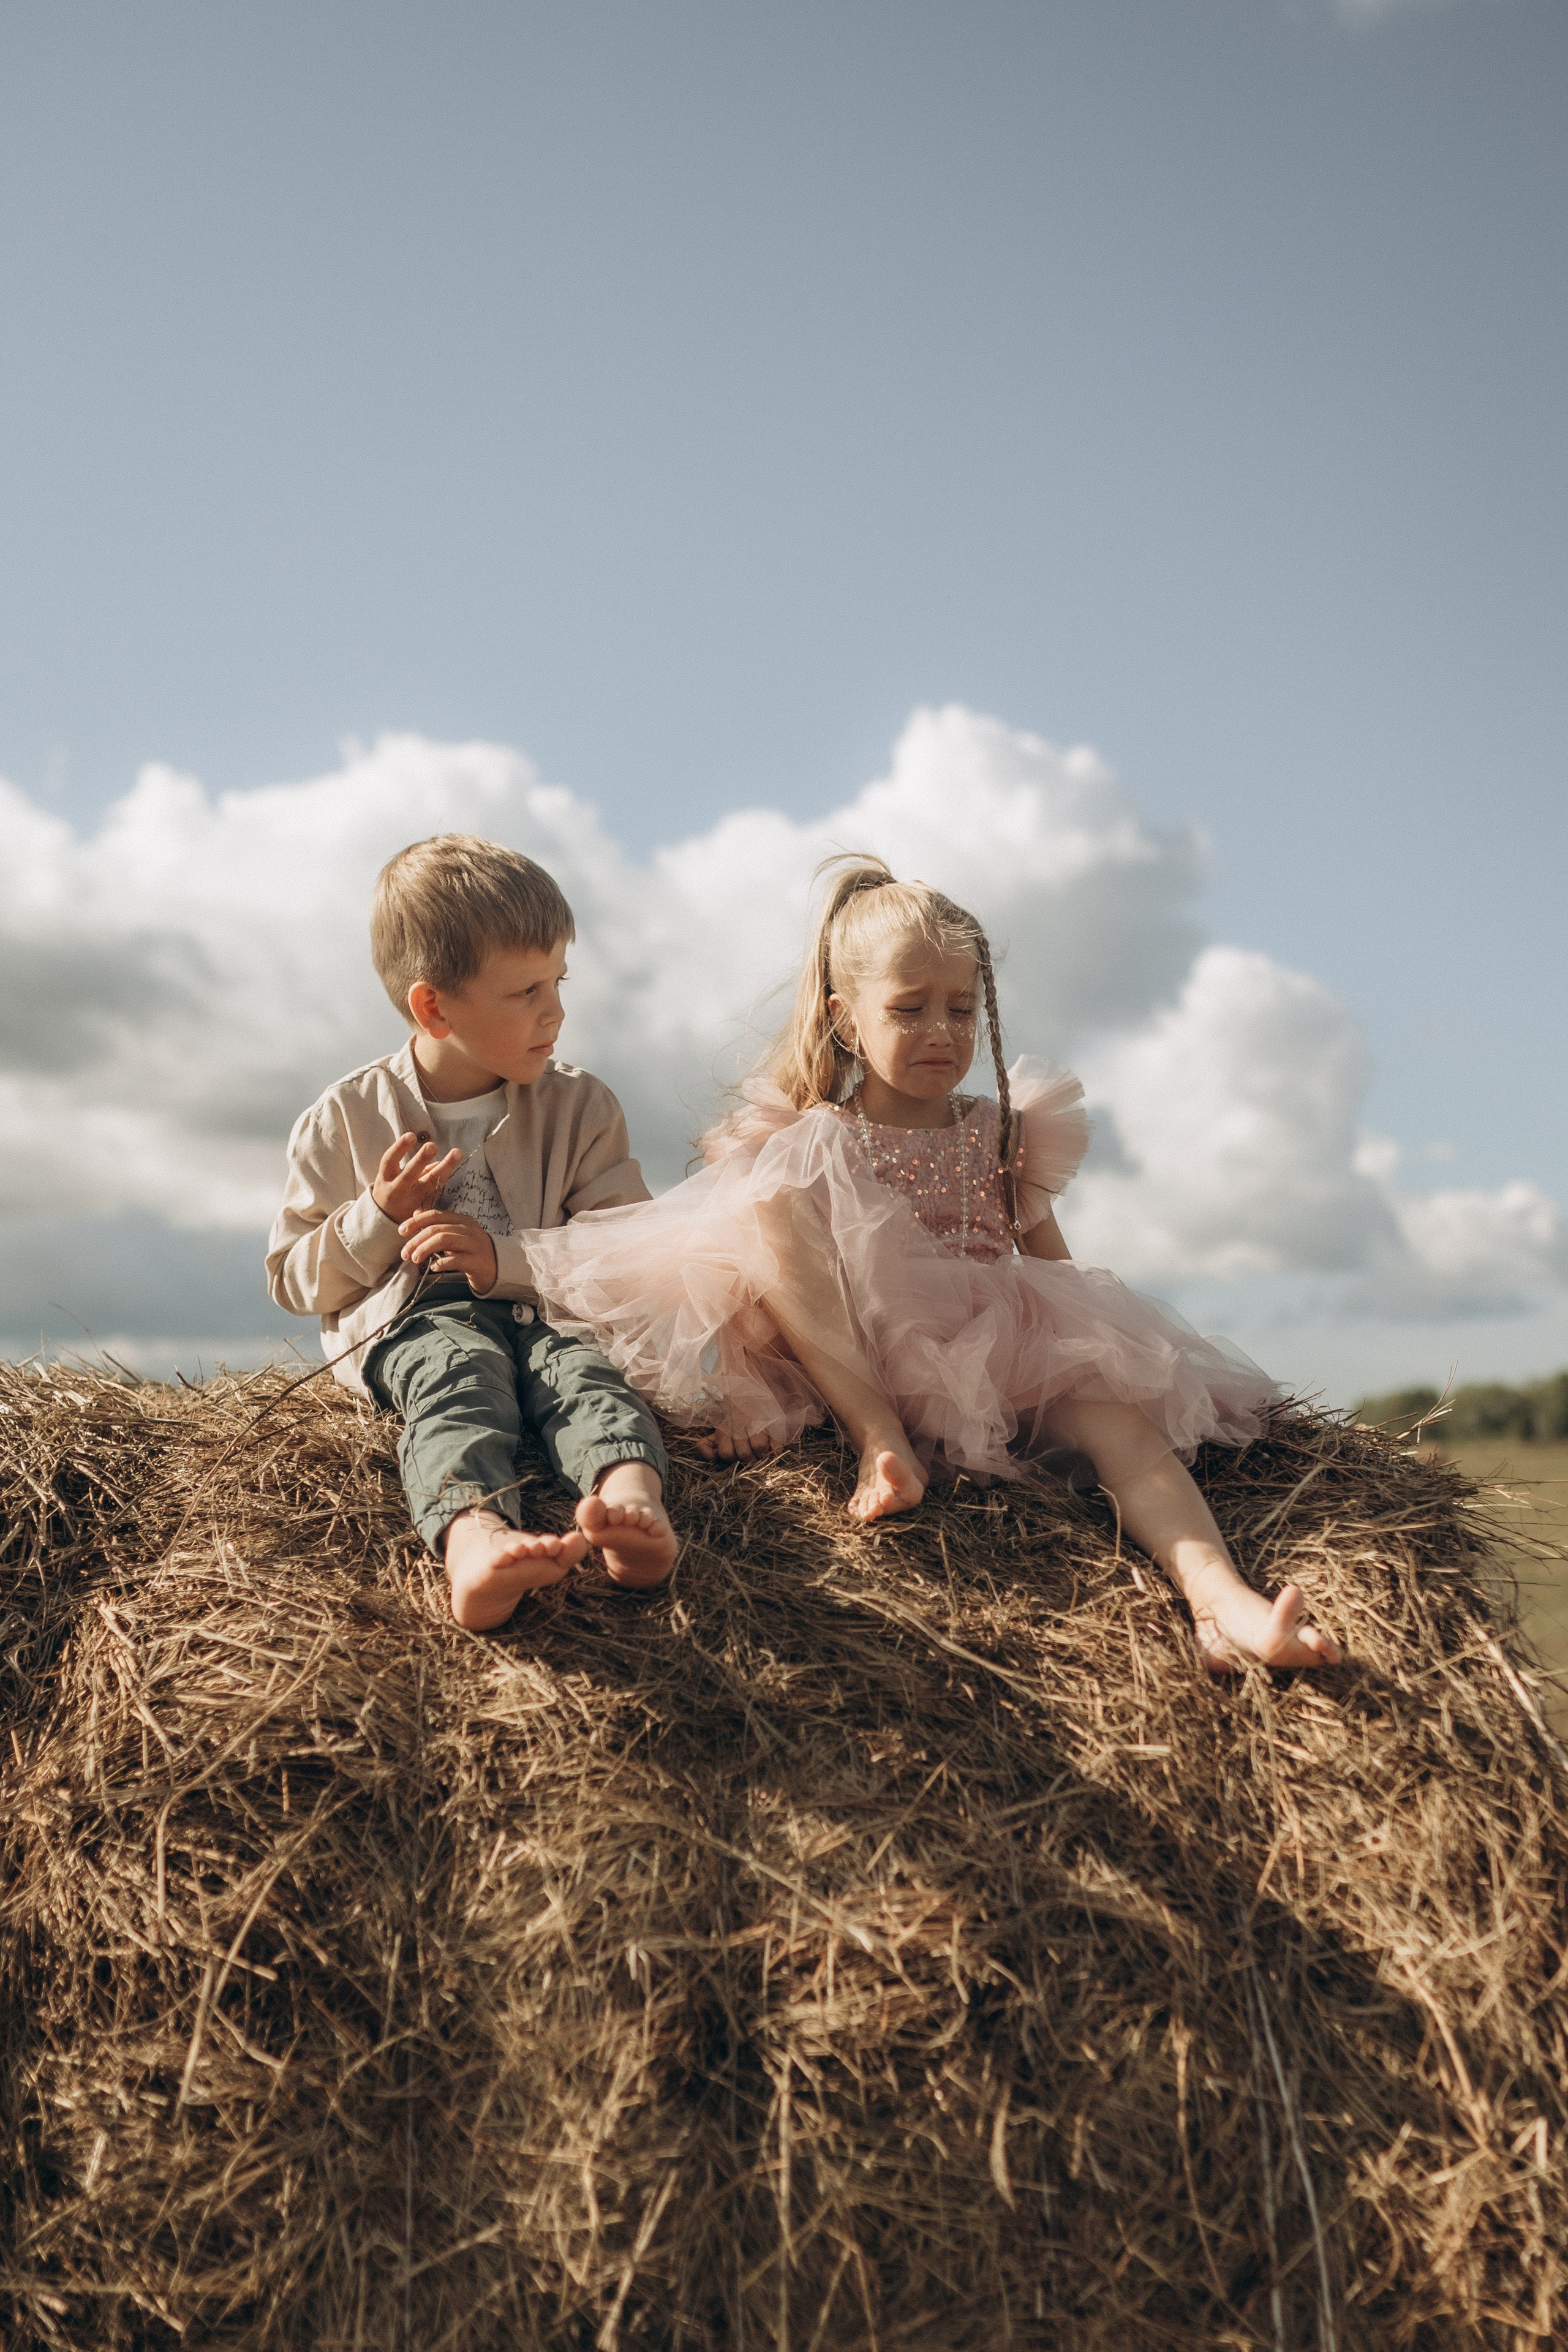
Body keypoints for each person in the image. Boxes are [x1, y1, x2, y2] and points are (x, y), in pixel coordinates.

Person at [524, 856, 1341, 1675]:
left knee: (1120, 1427)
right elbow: (752, 1269)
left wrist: (1111, 1361)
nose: (943, 1033)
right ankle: (883, 1445)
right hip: (863, 1358)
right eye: (909, 1010)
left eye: (963, 1008)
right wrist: (747, 1391)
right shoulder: (814, 1134)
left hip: (1003, 1358)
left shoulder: (1002, 1129)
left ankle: (1221, 1604)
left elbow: (1057, 1273)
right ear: (847, 1022)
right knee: (765, 1201)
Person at [265, 833, 677, 1630]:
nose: (555, 1009)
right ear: (433, 1006)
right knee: (458, 1376)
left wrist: (507, 1260)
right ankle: (475, 1537)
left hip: (548, 1308)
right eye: (525, 990)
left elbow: (627, 1249)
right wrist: (375, 1218)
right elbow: (292, 1278)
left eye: (559, 980)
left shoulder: (583, 1107)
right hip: (420, 1322)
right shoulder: (344, 1118)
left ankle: (629, 1501)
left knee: (586, 1373)